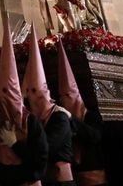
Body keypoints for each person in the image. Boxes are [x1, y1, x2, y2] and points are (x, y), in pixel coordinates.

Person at [0, 20, 48, 186]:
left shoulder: (31, 122)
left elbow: (40, 161)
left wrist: (15, 144)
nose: (1, 97)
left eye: (6, 93)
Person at [22, 26, 74, 186]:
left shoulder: (60, 117)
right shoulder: (33, 117)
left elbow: (46, 147)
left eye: (36, 92)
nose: (34, 98)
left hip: (60, 179)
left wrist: (17, 145)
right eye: (30, 93)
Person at [56, 45, 105, 186]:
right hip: (74, 173)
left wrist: (72, 119)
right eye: (63, 97)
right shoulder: (61, 118)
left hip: (94, 173)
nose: (66, 100)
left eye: (69, 96)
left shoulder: (91, 116)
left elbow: (94, 136)